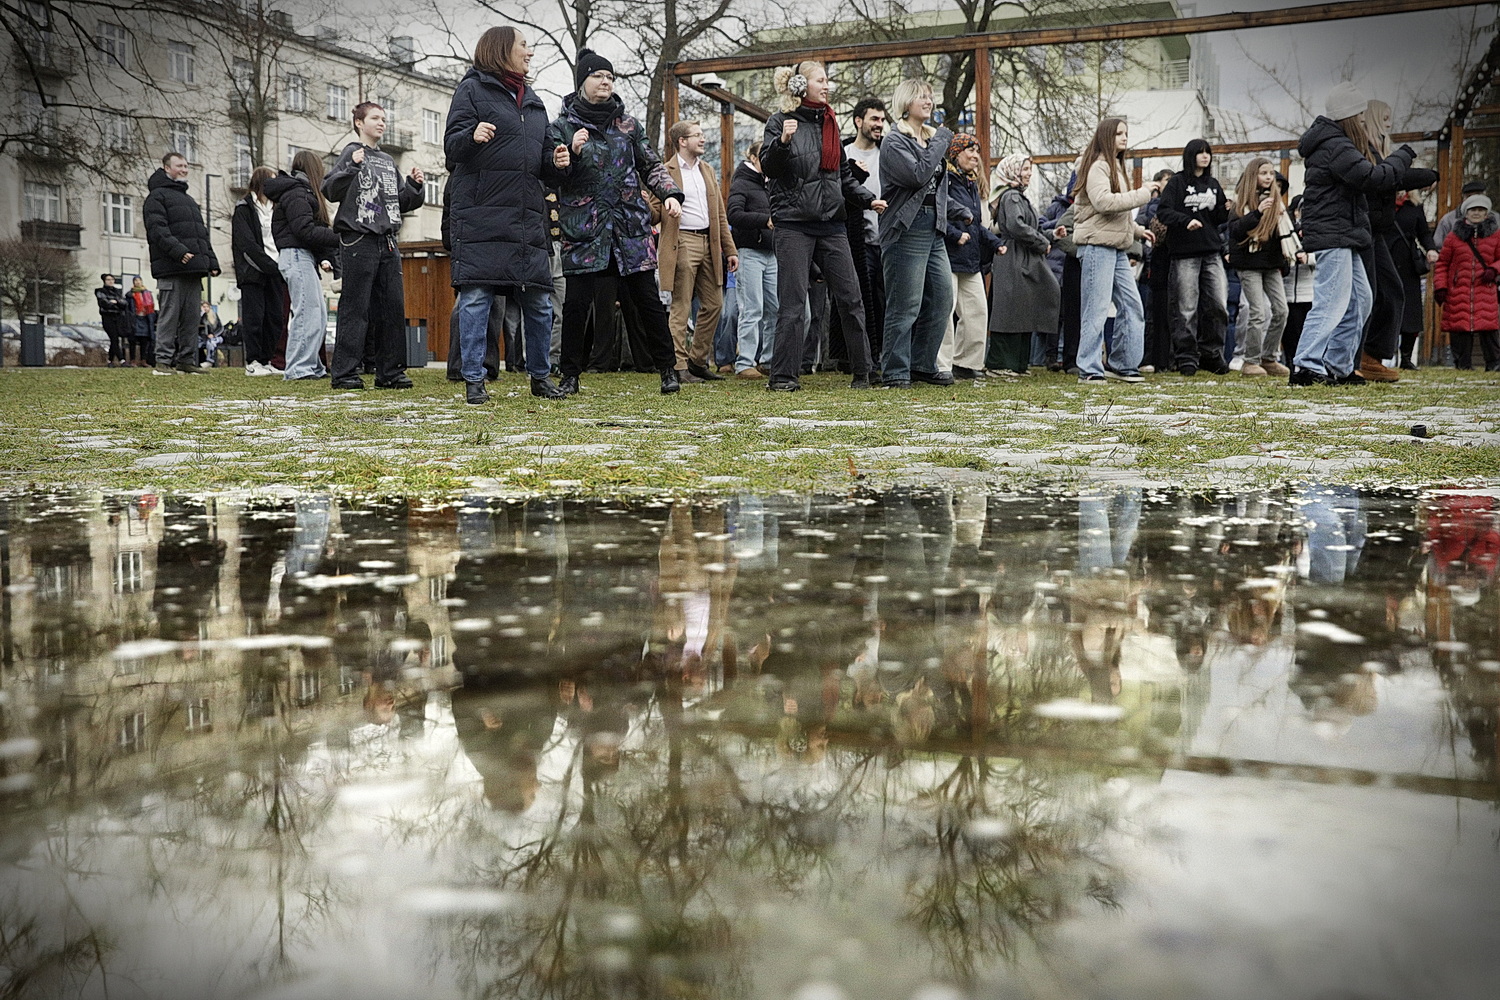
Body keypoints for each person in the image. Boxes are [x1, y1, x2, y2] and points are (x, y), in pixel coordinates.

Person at [445, 26, 571, 404]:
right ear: (502, 50)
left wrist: (558, 161)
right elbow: (452, 148)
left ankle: (540, 378)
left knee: (538, 300)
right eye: (524, 45)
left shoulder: (532, 101)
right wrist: (472, 136)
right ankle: (473, 381)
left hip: (526, 217)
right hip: (481, 213)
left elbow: (543, 162)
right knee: (477, 297)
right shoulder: (471, 90)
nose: (529, 52)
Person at [549, 48, 684, 396]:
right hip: (585, 230)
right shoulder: (562, 127)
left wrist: (670, 193)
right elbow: (551, 176)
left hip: (629, 229)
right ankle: (570, 376)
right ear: (582, 82)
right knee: (577, 306)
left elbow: (651, 164)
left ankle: (668, 370)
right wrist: (572, 154)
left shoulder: (628, 125)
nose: (606, 81)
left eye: (610, 77)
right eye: (598, 76)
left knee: (648, 302)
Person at [760, 59, 884, 392]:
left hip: (832, 224)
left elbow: (841, 177)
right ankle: (784, 377)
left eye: (827, 80)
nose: (827, 85)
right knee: (793, 303)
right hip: (794, 225)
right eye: (820, 80)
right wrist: (783, 143)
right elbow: (769, 168)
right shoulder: (780, 121)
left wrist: (867, 199)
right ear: (801, 86)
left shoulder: (830, 123)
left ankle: (864, 372)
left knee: (851, 298)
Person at [1290, 81, 1415, 385]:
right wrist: (1404, 155)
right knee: (1331, 301)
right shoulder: (1336, 146)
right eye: (1360, 117)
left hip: (1346, 233)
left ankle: (1339, 365)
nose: (1363, 122)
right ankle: (1305, 365)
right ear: (1348, 117)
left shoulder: (1336, 143)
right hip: (1334, 234)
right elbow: (1373, 177)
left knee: (1361, 300)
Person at [322, 101, 425, 391]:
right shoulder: (351, 153)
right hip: (358, 238)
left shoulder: (387, 161)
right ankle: (344, 374)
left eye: (384, 118)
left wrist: (415, 188)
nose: (382, 123)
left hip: (388, 242)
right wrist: (351, 167)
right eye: (375, 118)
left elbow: (399, 202)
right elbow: (329, 189)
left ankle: (390, 373)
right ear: (359, 122)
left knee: (392, 308)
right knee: (356, 308)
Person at [877, 77, 954, 389]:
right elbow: (918, 174)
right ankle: (895, 371)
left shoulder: (930, 139)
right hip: (906, 229)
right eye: (921, 96)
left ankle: (922, 364)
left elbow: (937, 187)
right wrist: (941, 140)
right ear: (906, 103)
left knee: (941, 299)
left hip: (934, 226)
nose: (929, 101)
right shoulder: (895, 141)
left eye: (930, 96)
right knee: (905, 303)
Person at [1358, 99, 1440, 382]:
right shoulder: (1363, 150)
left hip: (1376, 230)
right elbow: (1387, 178)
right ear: (1374, 118)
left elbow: (1394, 177)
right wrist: (1427, 175)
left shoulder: (1380, 150)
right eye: (1386, 116)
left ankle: (1371, 356)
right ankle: (1361, 355)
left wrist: (1426, 176)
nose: (1390, 121)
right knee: (1372, 294)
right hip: (1365, 229)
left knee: (1390, 292)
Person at [1072, 118, 1159, 384]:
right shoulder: (1098, 166)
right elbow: (1103, 203)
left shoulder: (1115, 167)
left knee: (1132, 305)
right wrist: (1142, 194)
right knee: (1096, 309)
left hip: (1117, 247)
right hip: (1097, 246)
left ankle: (1122, 363)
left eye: (1126, 133)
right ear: (1106, 136)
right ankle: (1089, 367)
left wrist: (1135, 230)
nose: (1124, 138)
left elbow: (1115, 212)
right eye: (1118, 133)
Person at [658, 119, 738, 383]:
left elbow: (720, 214)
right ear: (682, 141)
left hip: (710, 243)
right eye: (698, 135)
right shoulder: (665, 171)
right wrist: (662, 207)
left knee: (715, 304)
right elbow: (652, 206)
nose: (703, 139)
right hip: (681, 242)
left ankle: (697, 361)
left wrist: (730, 250)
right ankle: (678, 366)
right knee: (681, 306)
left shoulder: (708, 170)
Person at [143, 150, 220, 375]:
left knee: (190, 317)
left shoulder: (188, 200)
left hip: (193, 269)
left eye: (186, 166)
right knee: (169, 316)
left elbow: (201, 235)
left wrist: (211, 261)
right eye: (179, 166)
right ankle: (163, 362)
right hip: (171, 268)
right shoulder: (156, 197)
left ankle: (187, 360)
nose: (184, 169)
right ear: (167, 168)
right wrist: (178, 252)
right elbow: (157, 230)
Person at [1156, 138, 1229, 375]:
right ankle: (1186, 356)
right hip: (1184, 254)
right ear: (1191, 156)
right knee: (1186, 307)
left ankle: (1212, 353)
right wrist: (1185, 221)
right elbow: (1164, 212)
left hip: (1211, 251)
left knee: (1219, 304)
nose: (1205, 156)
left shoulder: (1213, 183)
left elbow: (1217, 219)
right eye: (1200, 153)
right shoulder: (1177, 183)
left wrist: (1225, 210)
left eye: (1208, 152)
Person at [267, 151, 340, 381]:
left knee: (315, 314)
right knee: (307, 313)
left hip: (300, 256)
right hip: (297, 256)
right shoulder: (298, 193)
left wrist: (323, 255)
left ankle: (311, 365)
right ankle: (299, 368)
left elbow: (306, 230)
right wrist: (340, 236)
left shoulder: (297, 192)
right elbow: (305, 230)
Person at [988, 152, 1060, 377]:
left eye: (1030, 169)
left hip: (1021, 256)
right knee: (1009, 311)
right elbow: (1017, 226)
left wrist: (1051, 234)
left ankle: (1018, 363)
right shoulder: (1012, 196)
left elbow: (1028, 226)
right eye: (1025, 169)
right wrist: (1042, 242)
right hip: (1013, 258)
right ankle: (1001, 364)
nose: (1029, 173)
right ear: (1013, 171)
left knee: (1021, 309)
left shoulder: (1016, 196)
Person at [939, 134, 1001, 380]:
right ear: (955, 153)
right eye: (969, 150)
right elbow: (941, 213)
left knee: (977, 310)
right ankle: (942, 365)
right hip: (950, 254)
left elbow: (976, 223)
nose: (976, 156)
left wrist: (995, 243)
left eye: (977, 151)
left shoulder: (971, 183)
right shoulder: (946, 180)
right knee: (945, 310)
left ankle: (966, 362)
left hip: (971, 259)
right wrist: (955, 235)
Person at [1225, 157, 1293, 376]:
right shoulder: (1241, 203)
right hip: (1249, 264)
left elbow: (1283, 236)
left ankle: (1269, 358)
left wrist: (1287, 256)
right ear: (1254, 175)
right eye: (1264, 173)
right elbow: (1235, 232)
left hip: (1271, 264)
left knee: (1281, 310)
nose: (1268, 177)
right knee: (1257, 312)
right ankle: (1250, 360)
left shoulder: (1278, 204)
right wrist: (1257, 213)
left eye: (1271, 173)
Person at [727, 141, 777, 379]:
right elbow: (734, 214)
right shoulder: (741, 182)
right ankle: (745, 362)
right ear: (754, 158)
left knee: (775, 308)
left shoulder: (771, 183)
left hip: (771, 252)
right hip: (750, 252)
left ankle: (768, 360)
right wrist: (763, 219)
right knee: (752, 308)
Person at [1433, 193, 1500, 370]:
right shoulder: (1454, 237)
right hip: (1458, 290)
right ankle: (1463, 364)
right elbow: (1442, 264)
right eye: (1473, 210)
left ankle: (1494, 363)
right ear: (1466, 213)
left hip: (1485, 288)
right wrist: (1440, 286)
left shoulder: (1496, 235)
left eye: (1480, 210)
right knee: (1459, 328)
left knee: (1488, 328)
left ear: (1487, 213)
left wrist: (1494, 269)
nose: (1476, 213)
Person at [231, 165, 287, 376]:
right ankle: (253, 361)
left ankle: (266, 359)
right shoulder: (244, 208)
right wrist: (268, 265)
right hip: (253, 272)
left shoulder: (276, 207)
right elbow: (247, 244)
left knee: (274, 317)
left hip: (276, 269)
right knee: (255, 317)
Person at [845, 98, 888, 364]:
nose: (879, 125)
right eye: (874, 119)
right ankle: (860, 358)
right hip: (857, 239)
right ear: (859, 121)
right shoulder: (844, 153)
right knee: (860, 299)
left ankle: (882, 355)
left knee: (885, 301)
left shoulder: (888, 153)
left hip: (888, 238)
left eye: (882, 120)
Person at [1394, 189, 1440, 368]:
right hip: (1385, 258)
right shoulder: (1381, 202)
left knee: (1411, 310)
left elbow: (1424, 233)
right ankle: (1375, 357)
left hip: (1408, 262)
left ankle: (1406, 358)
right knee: (1384, 307)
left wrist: (1430, 249)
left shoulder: (1414, 206)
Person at [1282, 195, 1316, 364]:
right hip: (1288, 293)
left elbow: (1327, 257)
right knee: (1291, 335)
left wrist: (1308, 258)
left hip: (1309, 294)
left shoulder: (1318, 232)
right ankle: (1290, 363)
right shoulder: (1287, 232)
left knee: (1307, 333)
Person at [1434, 179, 1488, 247]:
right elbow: (1438, 246)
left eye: (1477, 196)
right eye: (1469, 197)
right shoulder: (1448, 220)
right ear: (1463, 198)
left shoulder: (1496, 219)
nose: (1473, 200)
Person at [94, 273, 129, 367]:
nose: (111, 281)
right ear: (104, 281)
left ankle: (110, 361)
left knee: (115, 339)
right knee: (114, 338)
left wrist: (116, 302)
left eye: (112, 280)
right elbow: (103, 303)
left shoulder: (117, 291)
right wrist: (115, 303)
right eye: (108, 280)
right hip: (107, 317)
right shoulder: (100, 291)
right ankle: (122, 360)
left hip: (118, 317)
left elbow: (124, 303)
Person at [127, 276, 155, 366]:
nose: (138, 282)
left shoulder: (147, 293)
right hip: (135, 318)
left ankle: (143, 360)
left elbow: (151, 305)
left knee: (144, 340)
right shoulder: (130, 294)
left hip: (145, 318)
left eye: (139, 280)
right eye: (136, 281)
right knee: (133, 340)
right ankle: (133, 360)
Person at [198, 301, 222, 366]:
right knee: (196, 343)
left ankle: (210, 361)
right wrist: (201, 314)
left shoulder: (214, 315)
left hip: (216, 336)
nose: (205, 308)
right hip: (204, 337)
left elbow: (221, 328)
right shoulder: (201, 316)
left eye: (207, 307)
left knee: (211, 343)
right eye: (203, 307)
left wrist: (214, 334)